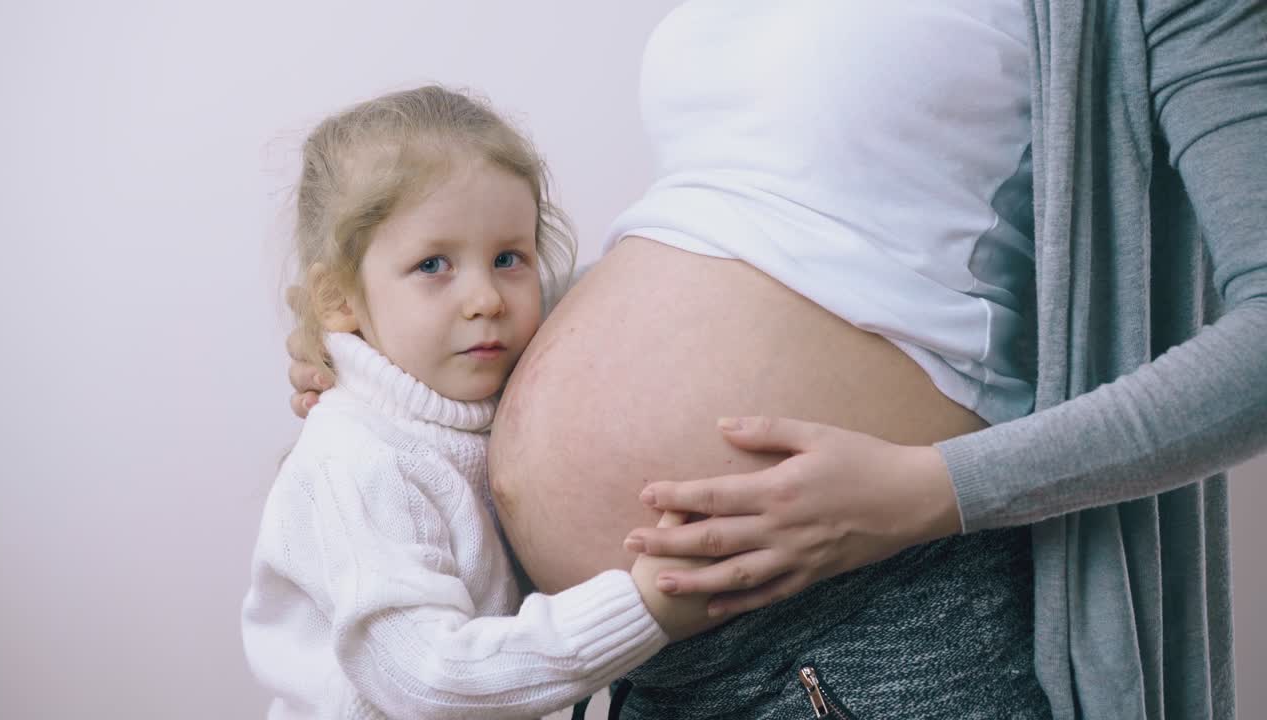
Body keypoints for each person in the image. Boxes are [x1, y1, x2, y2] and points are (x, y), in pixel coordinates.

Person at [289, 1, 1267, 717]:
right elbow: (747, 223)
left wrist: (927, 491)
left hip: (866, 624)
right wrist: (443, 331)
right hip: (636, 659)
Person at [243, 86, 714, 720]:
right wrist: (642, 607)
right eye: (434, 263)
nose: (486, 297)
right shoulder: (358, 463)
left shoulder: (467, 403)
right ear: (339, 298)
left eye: (507, 258)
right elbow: (432, 681)